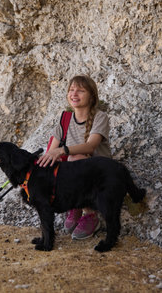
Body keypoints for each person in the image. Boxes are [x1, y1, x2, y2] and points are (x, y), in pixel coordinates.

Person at [37, 75, 111, 240]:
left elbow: (91, 146)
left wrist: (63, 151)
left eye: (80, 90)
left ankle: (91, 214)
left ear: (91, 96)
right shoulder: (65, 119)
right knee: (57, 164)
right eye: (71, 90)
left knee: (75, 158)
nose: (74, 94)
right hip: (76, 174)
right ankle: (76, 205)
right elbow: (51, 151)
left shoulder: (100, 117)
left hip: (100, 172)